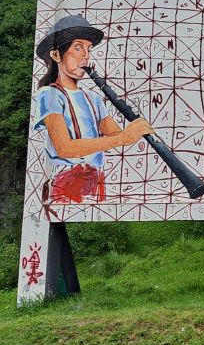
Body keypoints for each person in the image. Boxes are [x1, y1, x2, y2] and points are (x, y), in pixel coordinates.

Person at [32, 14, 154, 203]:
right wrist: (123, 138)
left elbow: (115, 135)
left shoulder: (93, 98)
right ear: (56, 55)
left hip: (96, 179)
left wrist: (134, 129)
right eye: (78, 47)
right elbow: (64, 147)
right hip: (66, 181)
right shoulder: (50, 95)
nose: (86, 55)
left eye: (88, 49)